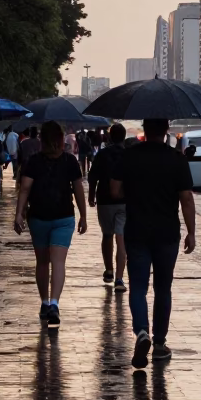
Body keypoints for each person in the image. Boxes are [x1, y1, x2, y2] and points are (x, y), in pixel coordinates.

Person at [110, 117, 196, 369]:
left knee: (137, 286)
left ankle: (141, 332)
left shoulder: (129, 156)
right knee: (163, 287)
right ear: (166, 130)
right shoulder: (177, 159)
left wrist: (134, 193)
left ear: (145, 130)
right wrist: (192, 232)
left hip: (136, 229)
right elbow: (187, 199)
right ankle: (159, 343)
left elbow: (114, 191)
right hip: (167, 232)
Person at [15, 120, 86, 327]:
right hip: (64, 217)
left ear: (42, 140)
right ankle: (55, 303)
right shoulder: (70, 161)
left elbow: (25, 189)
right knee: (58, 262)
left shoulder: (34, 161)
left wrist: (19, 213)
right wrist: (83, 215)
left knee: (42, 262)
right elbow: (78, 190)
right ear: (61, 139)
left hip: (38, 217)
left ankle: (45, 302)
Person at [88, 123, 128, 291]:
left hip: (104, 199)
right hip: (125, 201)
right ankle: (119, 278)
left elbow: (93, 177)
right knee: (121, 238)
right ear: (124, 137)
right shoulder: (129, 155)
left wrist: (91, 195)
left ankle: (109, 270)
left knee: (107, 235)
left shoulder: (102, 155)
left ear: (110, 137)